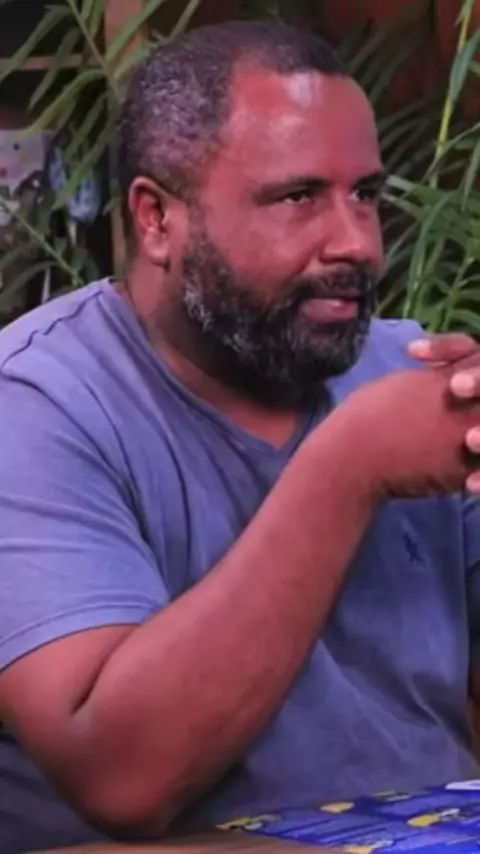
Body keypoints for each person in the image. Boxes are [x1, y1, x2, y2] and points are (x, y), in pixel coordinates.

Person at [1, 19, 480, 854]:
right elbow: (120, 779)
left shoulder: (410, 374)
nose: (356, 244)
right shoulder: (38, 405)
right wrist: (350, 467)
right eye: (298, 198)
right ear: (157, 218)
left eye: (366, 195)